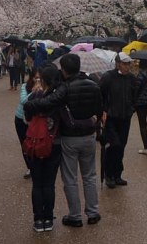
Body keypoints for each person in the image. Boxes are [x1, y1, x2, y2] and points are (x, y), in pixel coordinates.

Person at [24, 54, 104, 228]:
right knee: (89, 175)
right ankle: (92, 212)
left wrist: (30, 105)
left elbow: (48, 103)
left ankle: (75, 215)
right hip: (89, 135)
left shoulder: (64, 89)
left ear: (64, 69)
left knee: (70, 177)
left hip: (69, 137)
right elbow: (99, 109)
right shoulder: (93, 85)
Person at [22, 66, 61, 232]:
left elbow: (26, 118)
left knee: (37, 184)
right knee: (49, 184)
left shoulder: (35, 95)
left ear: (43, 80)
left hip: (35, 143)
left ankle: (38, 219)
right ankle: (48, 218)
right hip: (54, 143)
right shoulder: (59, 96)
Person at [98, 52, 139, 188]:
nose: (127, 66)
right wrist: (103, 110)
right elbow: (100, 95)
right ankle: (108, 174)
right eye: (125, 63)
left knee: (121, 146)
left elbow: (135, 95)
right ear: (117, 64)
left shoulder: (131, 79)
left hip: (125, 117)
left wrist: (131, 109)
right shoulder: (108, 77)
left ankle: (117, 174)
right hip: (110, 118)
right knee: (113, 145)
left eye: (129, 63)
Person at [16, 67, 43, 179]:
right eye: (35, 78)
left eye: (40, 78)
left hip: (35, 121)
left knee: (37, 144)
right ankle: (30, 167)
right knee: (24, 144)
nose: (37, 80)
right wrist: (33, 92)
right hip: (21, 118)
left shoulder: (45, 88)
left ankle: (37, 167)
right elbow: (23, 101)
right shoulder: (24, 87)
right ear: (31, 78)